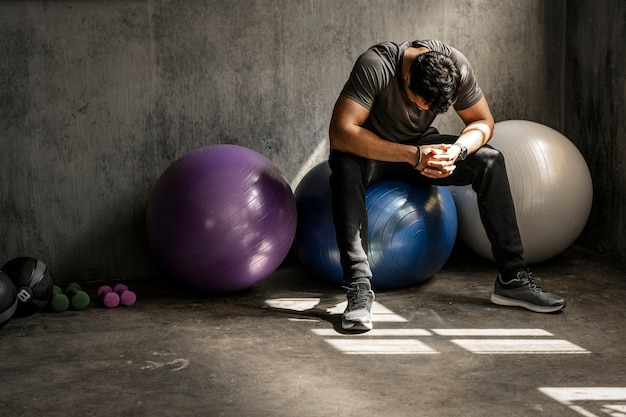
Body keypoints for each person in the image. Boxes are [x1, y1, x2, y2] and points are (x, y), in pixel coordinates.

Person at [328, 39, 565, 332]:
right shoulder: (376, 65)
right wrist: (412, 156)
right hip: (373, 153)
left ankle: (512, 278)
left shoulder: (455, 66)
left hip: (419, 149)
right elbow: (340, 133)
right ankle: (358, 288)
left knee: (490, 161)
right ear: (407, 78)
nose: (426, 110)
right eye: (422, 103)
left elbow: (482, 121)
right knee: (344, 164)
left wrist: (458, 151)